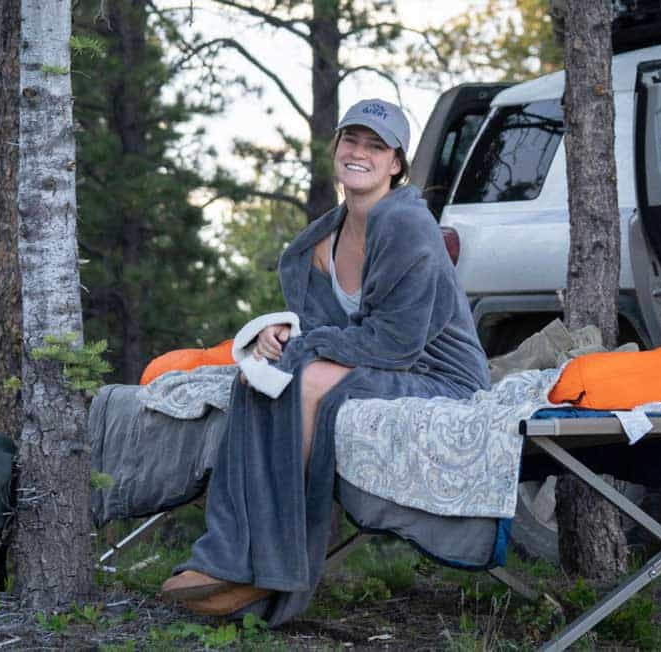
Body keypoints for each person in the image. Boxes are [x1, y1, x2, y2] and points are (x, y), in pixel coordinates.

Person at [160, 98, 490, 624]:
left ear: (397, 163)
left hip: (436, 375)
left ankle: (272, 570)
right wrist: (280, 335)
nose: (360, 153)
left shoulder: (407, 225)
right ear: (336, 148)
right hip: (382, 363)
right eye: (351, 141)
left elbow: (397, 342)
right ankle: (235, 556)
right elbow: (322, 329)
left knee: (306, 380)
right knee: (257, 380)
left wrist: (304, 348)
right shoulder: (321, 238)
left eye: (376, 146)